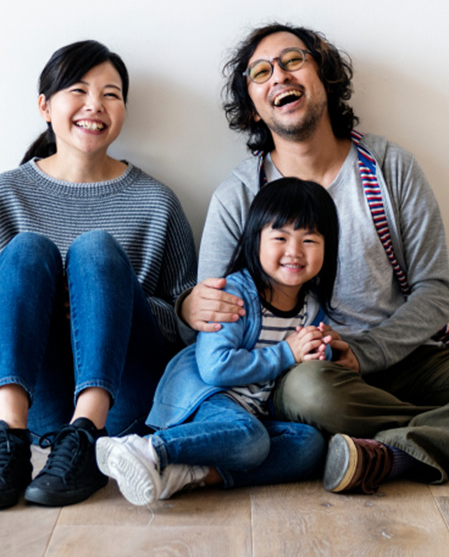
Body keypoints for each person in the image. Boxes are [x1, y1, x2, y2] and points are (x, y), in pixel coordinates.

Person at [178, 23, 449, 493]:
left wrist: (369, 352)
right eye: (261, 72)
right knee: (310, 392)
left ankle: (396, 454)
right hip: (317, 376)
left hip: (413, 362)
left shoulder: (390, 168)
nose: (279, 78)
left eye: (293, 61)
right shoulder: (240, 195)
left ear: (324, 75)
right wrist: (190, 306)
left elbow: (437, 292)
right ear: (252, 108)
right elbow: (212, 311)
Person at [0, 40, 196, 509]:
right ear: (45, 106)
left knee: (96, 250)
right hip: (31, 398)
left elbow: (182, 322)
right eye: (78, 90)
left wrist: (104, 301)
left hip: (122, 403)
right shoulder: (7, 193)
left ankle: (86, 437)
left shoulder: (156, 201)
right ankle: (7, 440)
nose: (95, 105)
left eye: (111, 94)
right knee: (27, 250)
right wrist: (48, 307)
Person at [95, 178, 336, 505]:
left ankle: (187, 474)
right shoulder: (233, 295)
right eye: (280, 237)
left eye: (309, 240)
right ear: (256, 241)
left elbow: (311, 356)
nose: (294, 251)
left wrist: (324, 350)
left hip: (249, 415)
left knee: (310, 445)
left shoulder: (311, 305)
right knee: (252, 440)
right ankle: (147, 447)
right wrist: (287, 352)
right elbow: (215, 368)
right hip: (206, 400)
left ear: (328, 248)